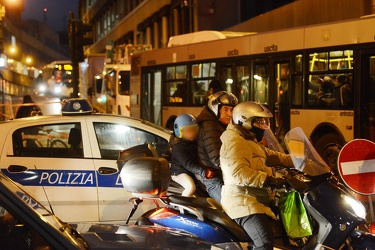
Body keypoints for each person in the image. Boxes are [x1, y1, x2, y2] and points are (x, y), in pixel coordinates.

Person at [220, 101, 294, 250]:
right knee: (264, 242)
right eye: (259, 122)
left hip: (257, 198)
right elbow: (237, 172)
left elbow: (272, 156)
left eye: (264, 122)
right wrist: (268, 179)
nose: (263, 126)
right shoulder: (235, 142)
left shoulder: (249, 140)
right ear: (244, 120)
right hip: (243, 202)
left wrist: (299, 160)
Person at [196, 91, 238, 202]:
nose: (230, 114)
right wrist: (239, 168)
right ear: (215, 108)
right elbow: (217, 159)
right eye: (226, 109)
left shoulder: (220, 125)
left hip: (221, 174)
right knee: (232, 206)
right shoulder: (210, 127)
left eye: (232, 109)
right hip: (212, 179)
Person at [170, 114, 216, 197]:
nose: (191, 133)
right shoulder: (177, 147)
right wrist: (204, 172)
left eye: (193, 130)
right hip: (179, 173)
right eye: (188, 131)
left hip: (190, 172)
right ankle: (182, 206)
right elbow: (188, 164)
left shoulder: (194, 142)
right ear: (179, 132)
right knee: (190, 187)